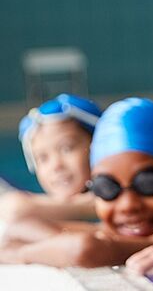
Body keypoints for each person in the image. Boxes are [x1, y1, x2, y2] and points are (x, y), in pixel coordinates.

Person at [0, 97, 153, 267]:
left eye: (149, 184)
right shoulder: (123, 229)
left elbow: (85, 249)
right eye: (107, 188)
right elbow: (19, 227)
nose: (127, 205)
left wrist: (20, 254)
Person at [0, 94, 101, 230]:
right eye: (43, 158)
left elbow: (16, 209)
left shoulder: (120, 200)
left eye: (67, 148)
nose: (56, 166)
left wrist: (91, 206)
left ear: (97, 147)